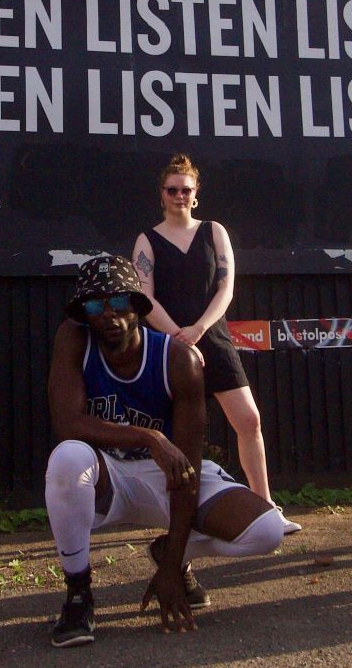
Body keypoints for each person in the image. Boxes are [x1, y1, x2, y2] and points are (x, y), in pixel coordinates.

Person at [42, 254, 288, 647]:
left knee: (267, 531)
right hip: (111, 476)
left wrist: (173, 564)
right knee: (67, 458)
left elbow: (187, 464)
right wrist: (151, 438)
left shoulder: (178, 359)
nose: (108, 314)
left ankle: (167, 551)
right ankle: (78, 595)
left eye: (119, 302)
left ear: (138, 307)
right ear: (84, 314)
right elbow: (68, 423)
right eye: (95, 305)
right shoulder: (74, 339)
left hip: (169, 473)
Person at [133, 154, 291, 528]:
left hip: (212, 338)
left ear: (196, 194)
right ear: (162, 194)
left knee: (249, 420)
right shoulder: (147, 240)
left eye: (185, 190)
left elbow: (227, 287)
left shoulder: (214, 232)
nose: (179, 196)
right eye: (172, 190)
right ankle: (176, 517)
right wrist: (177, 336)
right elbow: (145, 297)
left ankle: (265, 507)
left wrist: (200, 329)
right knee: (174, 436)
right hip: (170, 347)